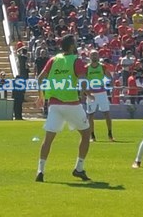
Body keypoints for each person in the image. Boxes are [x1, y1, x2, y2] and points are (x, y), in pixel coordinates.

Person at [35, 34, 92, 183]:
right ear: (72, 46)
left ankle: (40, 171)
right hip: (71, 104)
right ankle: (79, 168)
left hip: (54, 104)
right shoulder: (76, 60)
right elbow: (83, 80)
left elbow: (40, 78)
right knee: (86, 134)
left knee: (48, 139)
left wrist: (41, 96)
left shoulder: (53, 60)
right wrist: (85, 92)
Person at [86, 50, 114, 142]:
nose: (94, 57)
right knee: (90, 115)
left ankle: (110, 133)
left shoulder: (102, 67)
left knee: (106, 113)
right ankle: (92, 135)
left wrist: (111, 87)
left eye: (95, 55)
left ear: (98, 57)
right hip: (91, 93)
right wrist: (87, 93)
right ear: (89, 57)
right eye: (92, 55)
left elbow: (110, 77)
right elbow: (84, 82)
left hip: (102, 92)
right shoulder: (86, 68)